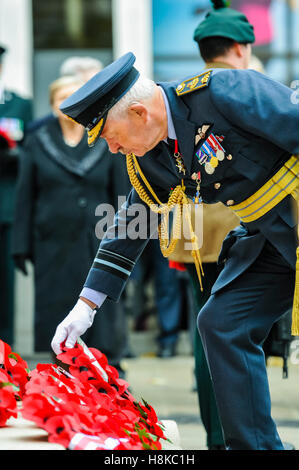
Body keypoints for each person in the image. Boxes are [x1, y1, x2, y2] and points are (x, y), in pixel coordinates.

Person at [51, 51, 299, 450]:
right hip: (269, 237)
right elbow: (132, 223)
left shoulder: (224, 91)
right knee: (221, 323)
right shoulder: (150, 156)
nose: (112, 149)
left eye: (110, 137)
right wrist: (86, 305)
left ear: (138, 113)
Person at [167, 0, 255, 449]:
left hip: (195, 232)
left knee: (207, 338)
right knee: (237, 336)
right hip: (247, 229)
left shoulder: (182, 95)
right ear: (241, 47)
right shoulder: (252, 88)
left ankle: (218, 437)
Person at [12, 75, 130, 373]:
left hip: (100, 237)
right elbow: (25, 194)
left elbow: (123, 194)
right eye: (61, 98)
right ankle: (61, 364)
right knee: (57, 304)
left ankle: (106, 369)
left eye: (74, 96)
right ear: (52, 106)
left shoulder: (106, 137)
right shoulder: (37, 142)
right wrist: (20, 244)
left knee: (100, 306)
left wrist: (130, 241)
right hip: (52, 241)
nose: (67, 104)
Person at [0, 44, 33, 345]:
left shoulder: (19, 105)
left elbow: (29, 151)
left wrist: (14, 154)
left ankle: (6, 353)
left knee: (5, 286)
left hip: (6, 206)